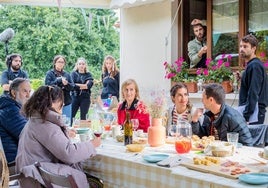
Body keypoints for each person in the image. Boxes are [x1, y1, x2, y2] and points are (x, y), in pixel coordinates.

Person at [16, 85, 101, 187]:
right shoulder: (45, 125)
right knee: (94, 180)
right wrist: (92, 144)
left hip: (30, 177)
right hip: (40, 181)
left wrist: (64, 132)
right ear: (51, 103)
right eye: (61, 100)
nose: (63, 103)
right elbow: (69, 154)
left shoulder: (35, 120)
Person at [238, 34, 268, 124]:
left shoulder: (255, 66)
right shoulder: (253, 65)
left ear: (254, 48)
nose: (242, 49)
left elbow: (253, 92)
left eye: (245, 46)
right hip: (253, 112)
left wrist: (246, 116)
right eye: (241, 46)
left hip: (254, 114)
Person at [0, 78, 31, 163]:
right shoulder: (10, 110)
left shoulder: (11, 106)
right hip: (14, 162)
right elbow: (29, 136)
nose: (28, 96)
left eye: (29, 91)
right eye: (25, 91)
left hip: (18, 157)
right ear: (14, 93)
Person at [45, 55, 75, 120]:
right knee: (55, 122)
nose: (60, 64)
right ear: (55, 63)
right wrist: (58, 80)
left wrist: (66, 84)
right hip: (54, 102)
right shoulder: (50, 73)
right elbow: (47, 86)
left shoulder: (67, 74)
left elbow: (72, 87)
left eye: (62, 62)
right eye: (59, 62)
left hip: (66, 101)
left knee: (66, 122)